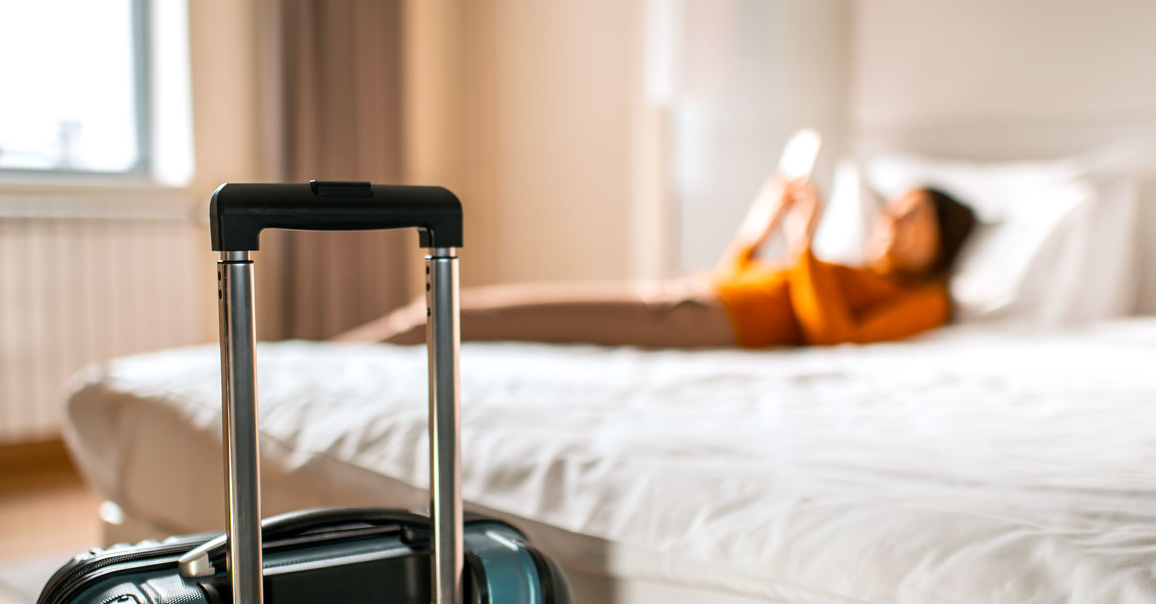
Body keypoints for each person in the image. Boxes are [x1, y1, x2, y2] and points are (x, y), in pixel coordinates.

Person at [340, 175, 978, 349]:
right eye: (893, 208)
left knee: (501, 318)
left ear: (941, 240)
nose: (891, 219)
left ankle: (359, 347)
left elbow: (834, 338)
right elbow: (736, 277)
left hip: (704, 322)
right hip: (696, 296)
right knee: (489, 312)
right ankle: (365, 343)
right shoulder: (848, 270)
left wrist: (805, 242)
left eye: (911, 214)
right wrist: (765, 223)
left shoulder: (930, 299)